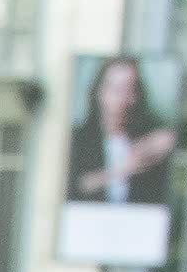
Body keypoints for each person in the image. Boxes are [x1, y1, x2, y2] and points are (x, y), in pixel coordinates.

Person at [67, 54, 179, 207]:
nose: (121, 100)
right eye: (115, 90)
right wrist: (125, 168)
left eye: (129, 90)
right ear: (99, 92)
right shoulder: (79, 138)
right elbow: (74, 186)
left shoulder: (147, 138)